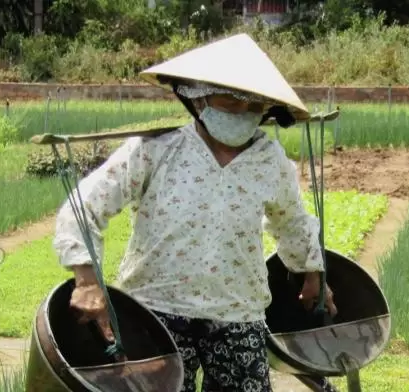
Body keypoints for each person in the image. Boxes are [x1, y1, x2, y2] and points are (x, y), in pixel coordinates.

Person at [52, 34, 339, 392]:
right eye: (229, 100)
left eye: (253, 106)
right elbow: (85, 206)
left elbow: (291, 222)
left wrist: (312, 273)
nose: (241, 112)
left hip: (238, 313)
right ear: (197, 96)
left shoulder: (270, 160)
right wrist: (87, 280)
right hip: (156, 310)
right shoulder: (154, 149)